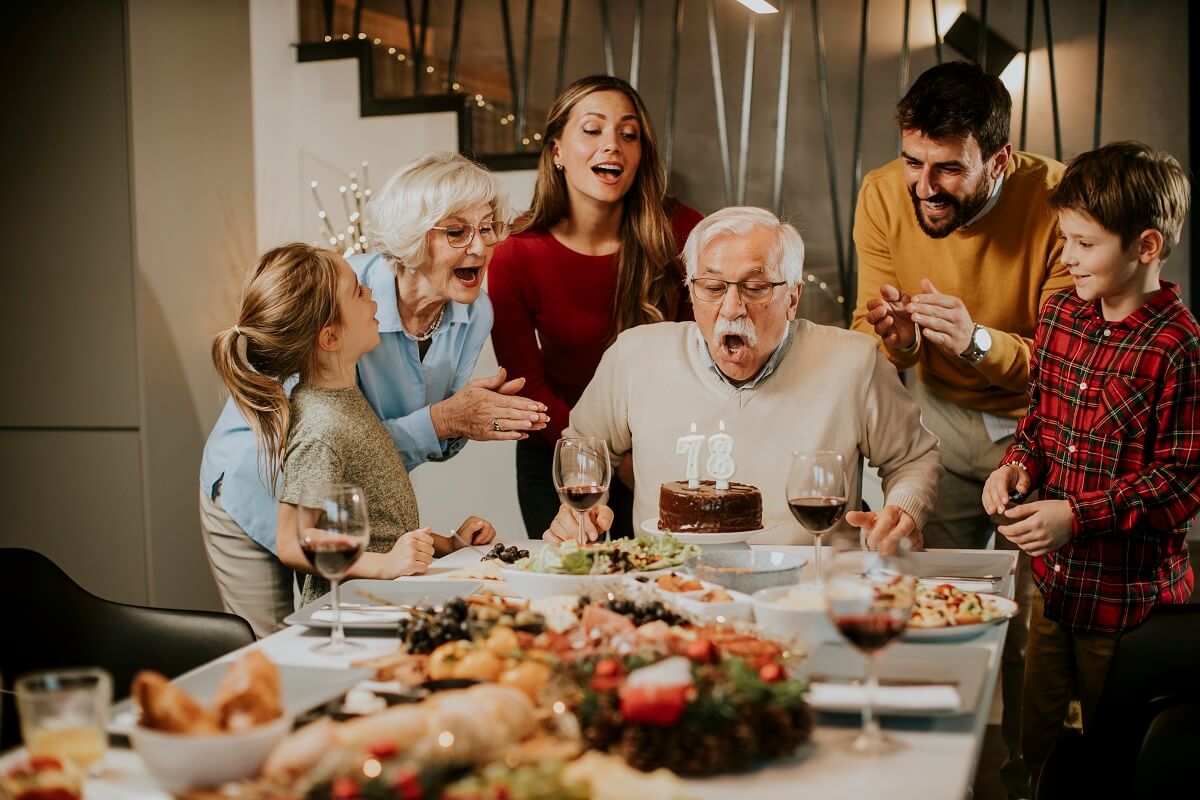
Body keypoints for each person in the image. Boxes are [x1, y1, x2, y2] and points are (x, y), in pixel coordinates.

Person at [200, 153, 548, 635]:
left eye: (488, 228)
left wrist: (466, 420)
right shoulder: (340, 302)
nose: (481, 247)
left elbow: (373, 449)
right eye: (456, 231)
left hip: (336, 505)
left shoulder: (474, 313)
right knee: (275, 647)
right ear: (412, 235)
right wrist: (444, 419)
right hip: (258, 480)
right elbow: (317, 436)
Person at [850, 61, 1070, 794]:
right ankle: (932, 774)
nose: (922, 186)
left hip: (1043, 431)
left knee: (1031, 626)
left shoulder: (1061, 199)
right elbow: (871, 330)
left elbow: (1072, 366)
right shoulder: (883, 192)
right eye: (914, 161)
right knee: (935, 599)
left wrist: (977, 342)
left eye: (948, 169)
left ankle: (1019, 774)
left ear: (999, 158)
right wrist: (903, 341)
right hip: (936, 418)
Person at [981, 141, 1198, 788]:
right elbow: (1040, 422)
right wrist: (1017, 465)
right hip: (1053, 588)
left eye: (1084, 243)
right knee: (1036, 743)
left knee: (1113, 755)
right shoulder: (1059, 313)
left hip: (1130, 606)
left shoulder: (1180, 345)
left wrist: (1077, 516)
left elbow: (1180, 482)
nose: (1067, 256)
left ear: (1147, 246)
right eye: (1063, 239)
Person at [543, 206, 942, 549]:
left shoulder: (855, 362)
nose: (732, 307)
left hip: (810, 586)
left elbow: (913, 458)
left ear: (793, 297)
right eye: (713, 287)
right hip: (669, 583)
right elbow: (583, 446)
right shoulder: (634, 356)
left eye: (754, 287)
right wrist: (581, 511)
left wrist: (903, 511)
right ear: (691, 290)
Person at [212, 244, 498, 606]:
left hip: (379, 600)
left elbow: (383, 528)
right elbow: (291, 542)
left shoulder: (347, 401)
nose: (373, 297)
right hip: (350, 609)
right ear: (330, 337)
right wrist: (385, 565)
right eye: (358, 293)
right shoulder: (322, 426)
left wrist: (448, 544)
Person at [489, 74, 703, 540]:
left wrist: (642, 456)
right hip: (559, 453)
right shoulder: (513, 253)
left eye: (628, 135)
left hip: (664, 454)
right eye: (592, 130)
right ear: (556, 152)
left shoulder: (684, 231)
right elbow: (528, 384)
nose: (613, 146)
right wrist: (607, 456)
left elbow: (699, 357)